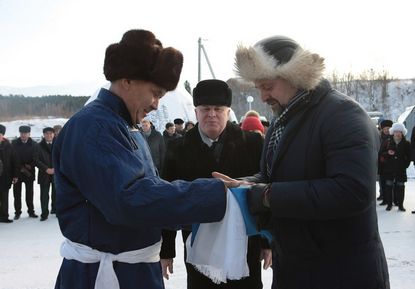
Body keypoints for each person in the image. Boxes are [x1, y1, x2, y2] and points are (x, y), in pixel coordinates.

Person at [52, 29, 236, 289]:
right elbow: (131, 201)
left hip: (131, 270)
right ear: (127, 80)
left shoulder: (123, 125)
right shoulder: (95, 127)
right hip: (106, 275)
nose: (156, 105)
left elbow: (152, 190)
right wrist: (215, 195)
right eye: (156, 93)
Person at [232, 35, 389, 288]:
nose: (262, 97)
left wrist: (266, 196)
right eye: (258, 88)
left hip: (340, 272)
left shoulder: (343, 115)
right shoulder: (282, 121)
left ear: (295, 76)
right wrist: (243, 185)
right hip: (295, 267)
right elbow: (273, 178)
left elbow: (352, 191)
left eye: (268, 86)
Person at [160, 79, 270, 289]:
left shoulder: (252, 144)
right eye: (205, 109)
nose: (211, 114)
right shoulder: (178, 148)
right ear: (196, 111)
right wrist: (167, 250)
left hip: (245, 243)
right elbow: (168, 199)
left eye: (218, 109)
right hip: (200, 245)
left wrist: (266, 241)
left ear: (228, 111)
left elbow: (263, 193)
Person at [379, 123, 411, 211]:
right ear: (393, 132)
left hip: (401, 169)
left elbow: (409, 156)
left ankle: (400, 205)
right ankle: (389, 204)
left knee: (400, 186)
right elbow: (381, 153)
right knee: (388, 186)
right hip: (389, 168)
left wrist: (405, 165)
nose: (397, 134)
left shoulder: (406, 143)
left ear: (402, 133)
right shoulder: (387, 142)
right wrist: (387, 153)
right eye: (396, 132)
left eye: (399, 132)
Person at [12, 125, 39, 220]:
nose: (23, 135)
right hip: (17, 172)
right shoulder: (14, 143)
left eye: (25, 133)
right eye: (22, 133)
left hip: (29, 172)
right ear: (20, 134)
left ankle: (31, 212)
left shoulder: (34, 144)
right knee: (17, 194)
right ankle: (17, 212)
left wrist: (30, 165)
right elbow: (12, 158)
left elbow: (36, 158)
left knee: (29, 194)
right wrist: (19, 167)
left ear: (29, 134)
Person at [36, 127, 56, 221]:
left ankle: (55, 210)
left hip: (56, 173)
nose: (49, 135)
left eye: (51, 133)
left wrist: (56, 168)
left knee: (56, 193)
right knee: (44, 194)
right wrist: (46, 169)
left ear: (53, 134)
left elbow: (62, 157)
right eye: (47, 133)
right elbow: (36, 160)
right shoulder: (38, 146)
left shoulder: (58, 144)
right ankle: (44, 213)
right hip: (44, 174)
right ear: (44, 135)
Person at [0, 124, 18, 223]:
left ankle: (4, 216)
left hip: (5, 176)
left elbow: (14, 161)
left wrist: (15, 175)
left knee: (4, 197)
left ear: (3, 135)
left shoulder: (8, 146)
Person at [377, 119, 393, 205]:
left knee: (390, 182)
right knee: (382, 180)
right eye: (385, 128)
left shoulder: (394, 136)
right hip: (381, 163)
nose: (386, 130)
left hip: (391, 163)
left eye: (388, 128)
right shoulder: (378, 137)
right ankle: (384, 197)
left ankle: (392, 198)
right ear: (382, 129)